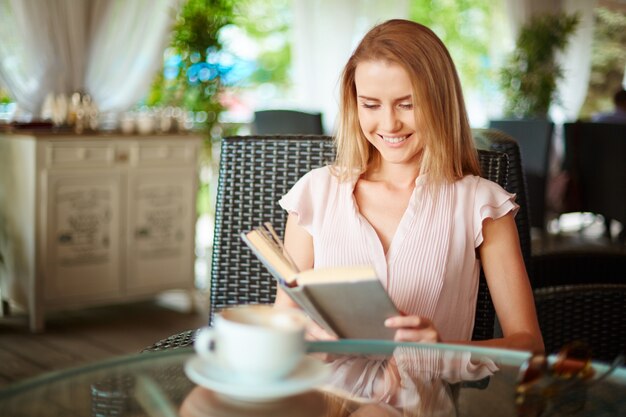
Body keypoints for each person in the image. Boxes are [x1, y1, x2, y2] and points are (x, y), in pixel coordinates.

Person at [274, 19, 544, 353]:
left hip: (418, 396)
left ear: (440, 102)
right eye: (370, 104)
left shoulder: (481, 204)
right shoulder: (315, 192)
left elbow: (530, 346)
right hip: (321, 390)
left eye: (408, 104)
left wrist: (443, 348)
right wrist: (304, 335)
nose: (389, 124)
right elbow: (283, 321)